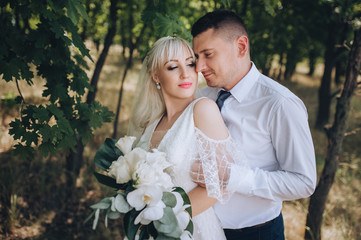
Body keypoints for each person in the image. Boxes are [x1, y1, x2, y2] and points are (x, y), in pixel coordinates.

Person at [191, 10, 317, 240]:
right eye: (197, 56)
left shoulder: (279, 104)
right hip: (201, 229)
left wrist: (233, 177)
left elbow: (303, 182)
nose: (199, 67)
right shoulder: (201, 96)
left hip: (255, 233)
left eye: (208, 54)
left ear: (240, 46)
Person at [128, 36, 247, 240]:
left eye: (190, 64)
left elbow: (218, 185)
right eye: (173, 67)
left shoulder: (203, 110)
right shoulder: (152, 122)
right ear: (156, 76)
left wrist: (167, 220)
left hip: (191, 228)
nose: (186, 74)